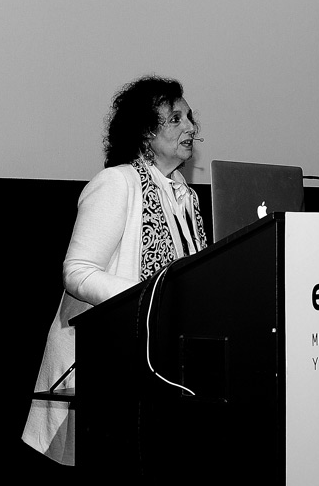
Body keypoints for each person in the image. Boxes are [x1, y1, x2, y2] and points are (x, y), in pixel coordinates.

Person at [24, 75, 208, 465]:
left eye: (190, 117)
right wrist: (148, 299)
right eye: (176, 119)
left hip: (155, 365)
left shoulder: (186, 196)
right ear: (146, 133)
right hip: (97, 366)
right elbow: (77, 272)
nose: (191, 127)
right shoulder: (117, 183)